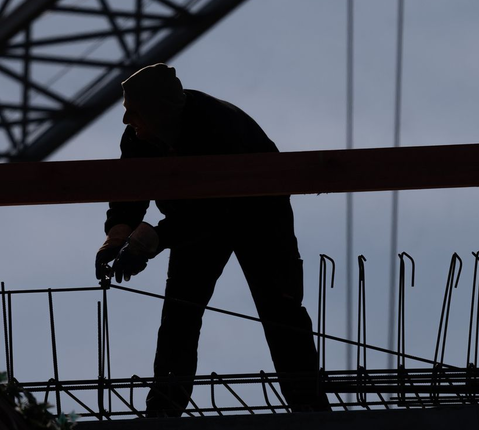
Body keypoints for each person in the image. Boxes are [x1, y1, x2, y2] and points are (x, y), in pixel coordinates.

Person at [94, 63, 331, 416]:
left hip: (260, 215)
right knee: (180, 314)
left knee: (280, 309)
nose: (126, 119)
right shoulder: (139, 138)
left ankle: (309, 406)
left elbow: (220, 210)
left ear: (158, 109)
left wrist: (152, 239)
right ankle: (164, 409)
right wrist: (117, 237)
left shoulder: (217, 126)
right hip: (189, 218)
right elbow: (131, 193)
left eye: (134, 111)